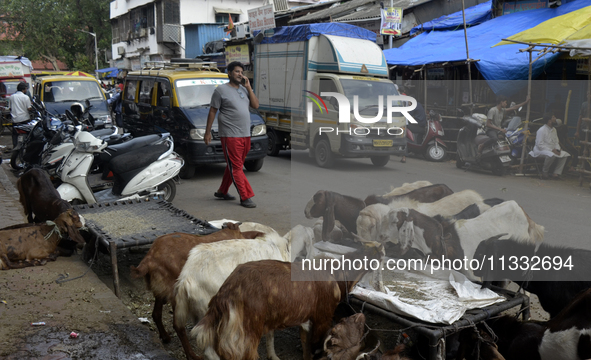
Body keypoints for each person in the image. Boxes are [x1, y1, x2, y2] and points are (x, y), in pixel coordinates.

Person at [205, 61, 259, 208]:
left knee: (236, 165)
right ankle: (245, 196)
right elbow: (212, 111)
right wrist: (207, 132)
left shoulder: (244, 89)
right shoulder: (220, 90)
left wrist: (249, 87)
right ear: (229, 73)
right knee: (237, 167)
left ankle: (222, 191)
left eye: (241, 72)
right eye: (236, 71)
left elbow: (255, 105)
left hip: (245, 134)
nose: (240, 74)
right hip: (230, 135)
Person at [530, 112, 570, 180]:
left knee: (565, 154)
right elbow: (540, 145)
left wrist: (558, 150)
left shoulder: (554, 130)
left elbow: (556, 142)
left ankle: (556, 173)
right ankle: (544, 172)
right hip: (540, 151)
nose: (555, 119)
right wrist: (551, 150)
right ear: (549, 120)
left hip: (552, 150)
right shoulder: (541, 130)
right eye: (553, 117)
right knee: (551, 155)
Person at [401, 90, 427, 163]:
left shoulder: (414, 106)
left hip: (418, 126)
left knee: (405, 132)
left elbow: (408, 115)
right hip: (421, 125)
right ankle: (415, 151)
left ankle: (404, 155)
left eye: (409, 102)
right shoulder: (419, 104)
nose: (408, 103)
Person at [9, 82, 32, 148]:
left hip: (15, 120)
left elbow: (10, 108)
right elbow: (29, 108)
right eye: (26, 89)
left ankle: (15, 147)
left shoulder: (12, 97)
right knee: (28, 134)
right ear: (24, 89)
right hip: (24, 119)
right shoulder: (26, 97)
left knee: (15, 135)